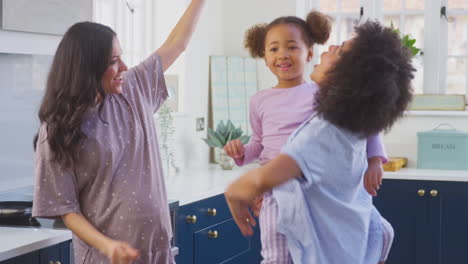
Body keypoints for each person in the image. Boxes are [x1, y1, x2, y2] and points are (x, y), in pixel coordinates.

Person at [225, 20, 414, 264]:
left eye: (340, 50)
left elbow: (261, 178)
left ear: (347, 75)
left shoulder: (322, 130)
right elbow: (262, 148)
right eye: (273, 48)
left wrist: (242, 189)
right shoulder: (349, 125)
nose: (329, 47)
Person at [31, 1, 205, 263]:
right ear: (87, 69)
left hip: (157, 251)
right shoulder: (57, 129)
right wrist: (109, 246)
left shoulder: (135, 87)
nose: (124, 66)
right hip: (106, 257)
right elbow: (66, 210)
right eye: (114, 61)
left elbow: (177, 43)